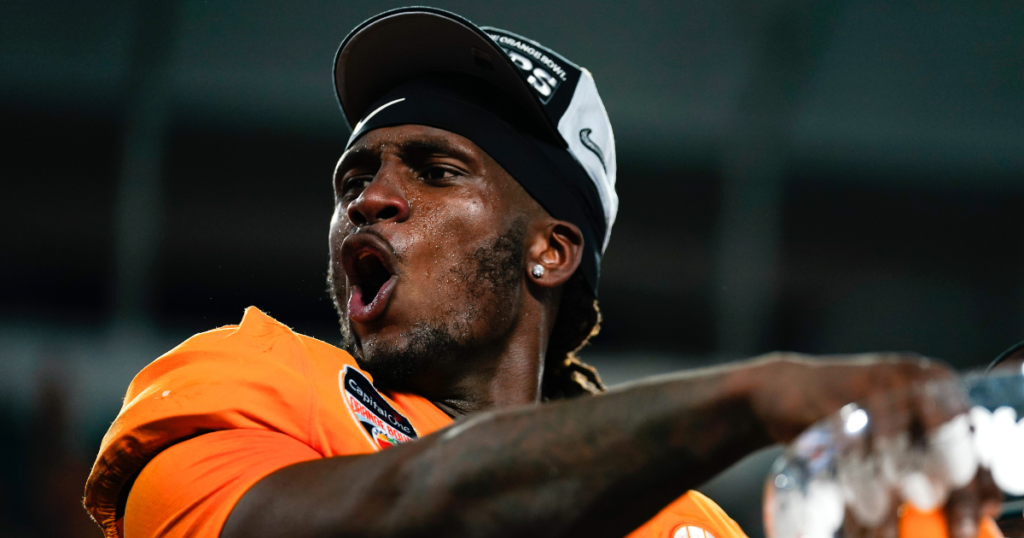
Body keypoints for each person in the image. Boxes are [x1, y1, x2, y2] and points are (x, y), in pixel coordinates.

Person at [82, 7, 995, 538]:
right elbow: (404, 506)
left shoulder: (687, 525)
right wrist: (755, 396)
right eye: (355, 177)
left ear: (550, 252)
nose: (372, 198)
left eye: (436, 171)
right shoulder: (247, 380)